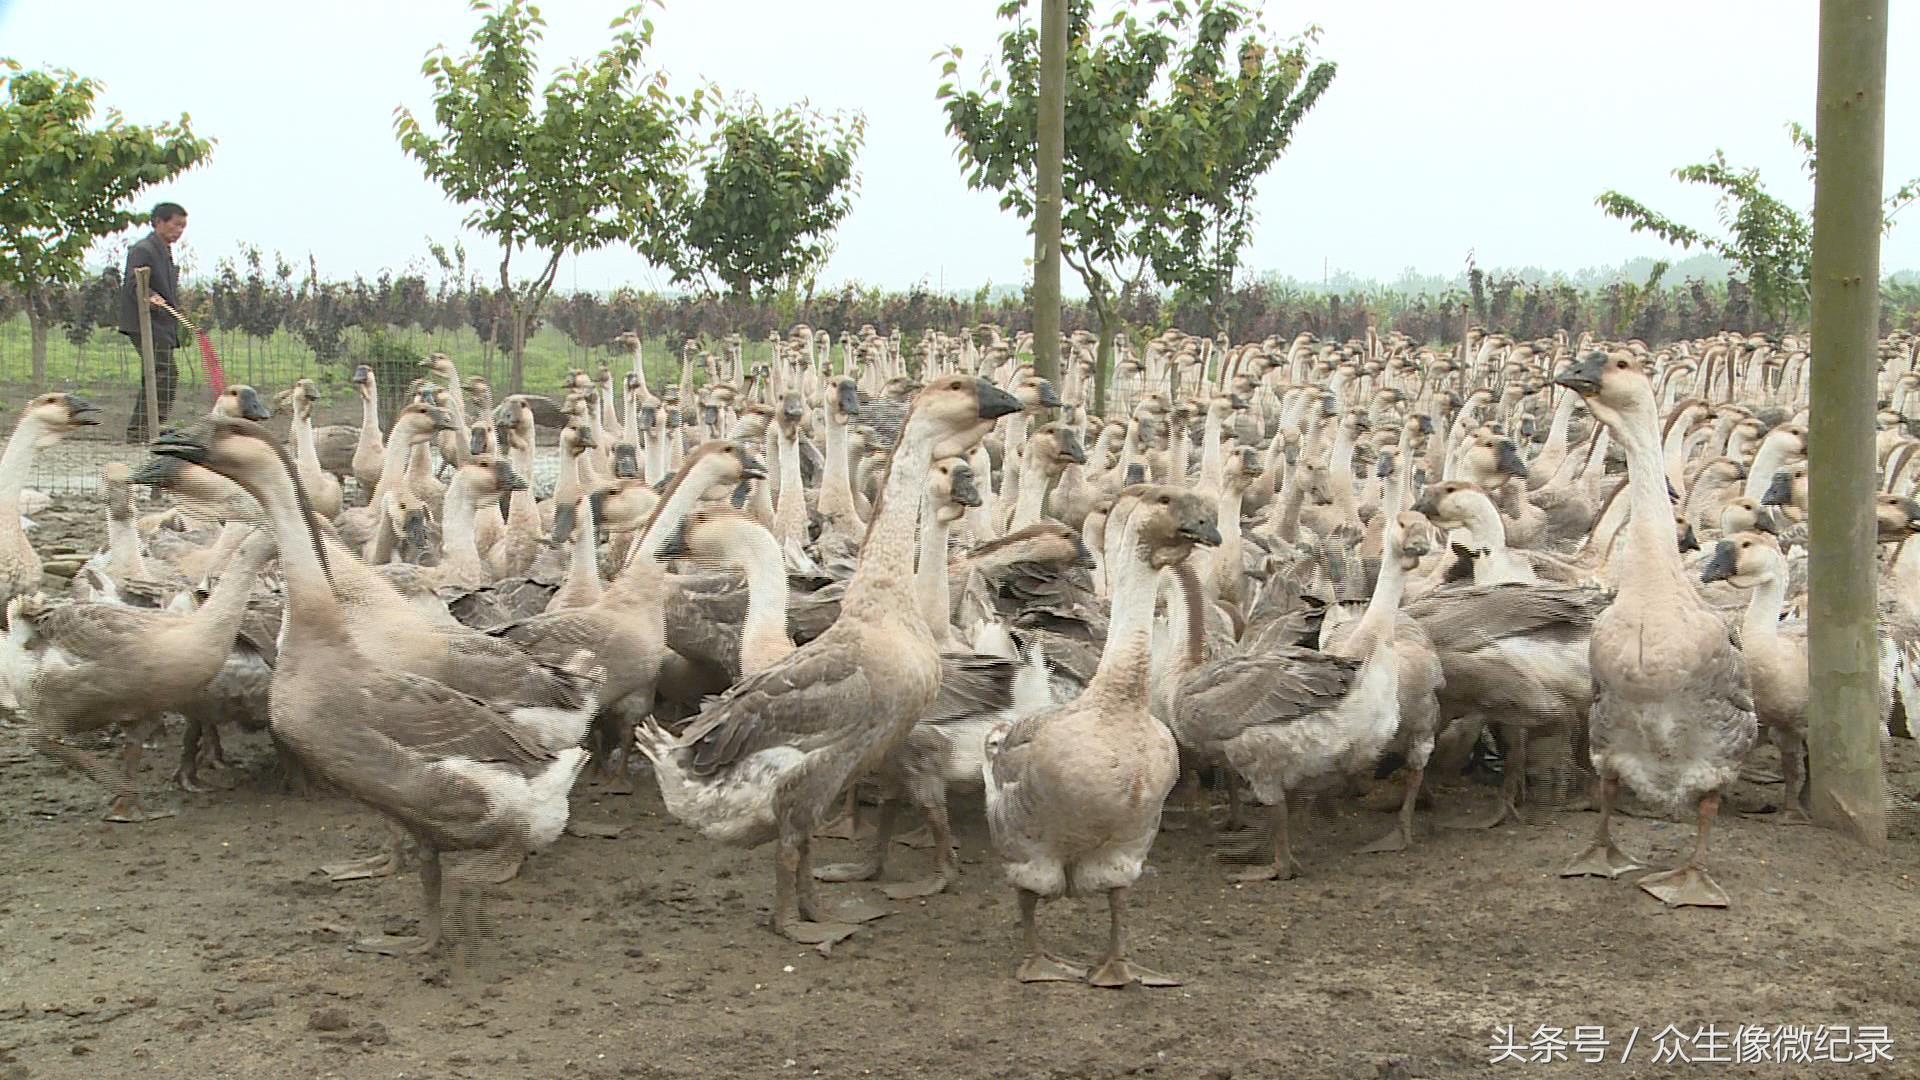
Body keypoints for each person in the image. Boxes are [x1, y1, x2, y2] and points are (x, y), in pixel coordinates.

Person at [116, 202, 187, 442]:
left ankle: (153, 426)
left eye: (183, 227)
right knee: (162, 371)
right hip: (146, 323)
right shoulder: (143, 249)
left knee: (163, 373)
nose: (179, 231)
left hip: (163, 322)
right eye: (175, 225)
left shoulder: (164, 250)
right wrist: (149, 295)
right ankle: (141, 430)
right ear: (159, 221)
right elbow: (134, 283)